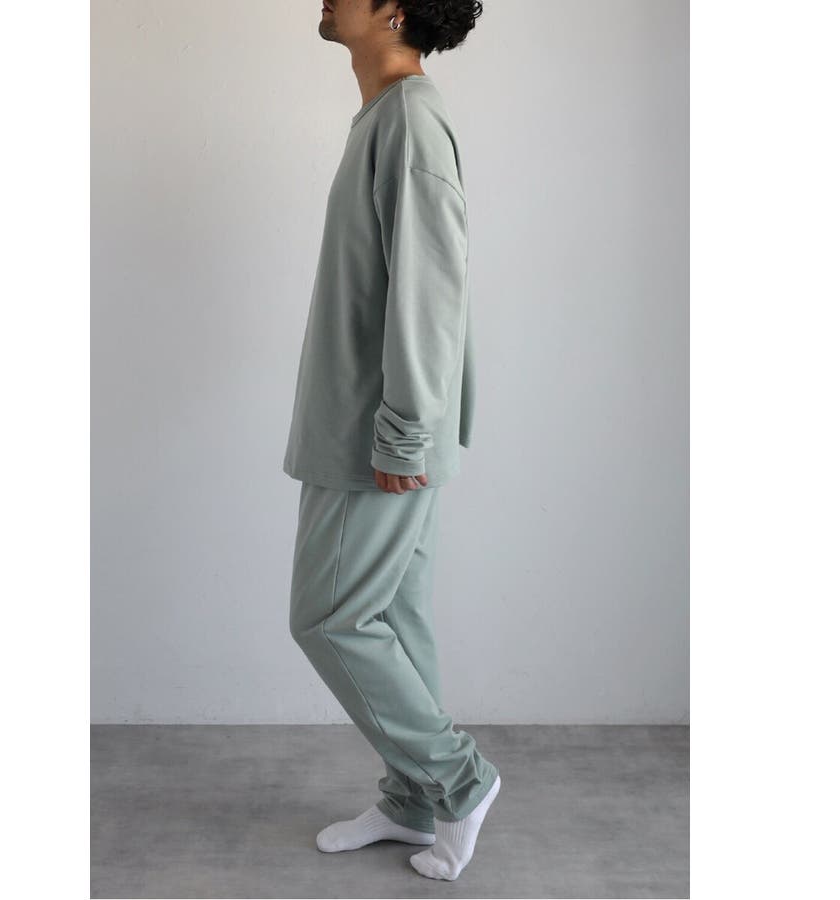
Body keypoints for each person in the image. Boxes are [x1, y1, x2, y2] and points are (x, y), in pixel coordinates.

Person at [284, 0, 497, 882]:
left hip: (379, 436)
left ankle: (461, 779)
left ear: (395, 11)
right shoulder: (388, 115)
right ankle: (414, 801)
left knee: (330, 617)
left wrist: (405, 433)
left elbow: (433, 289)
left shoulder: (409, 121)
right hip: (375, 424)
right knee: (395, 622)